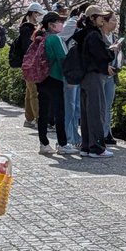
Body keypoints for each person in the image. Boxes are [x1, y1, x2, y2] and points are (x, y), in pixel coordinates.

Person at [70, 5, 116, 158]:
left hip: (85, 77)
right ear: (92, 18)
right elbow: (103, 56)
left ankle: (86, 146)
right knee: (97, 112)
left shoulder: (83, 34)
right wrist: (112, 50)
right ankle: (97, 147)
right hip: (94, 76)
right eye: (100, 16)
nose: (103, 19)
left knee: (86, 112)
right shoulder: (94, 35)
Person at [36, 11, 74, 155]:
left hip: (42, 78)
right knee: (59, 112)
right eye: (59, 22)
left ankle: (43, 143)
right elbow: (63, 59)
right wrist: (69, 78)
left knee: (43, 111)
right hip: (55, 77)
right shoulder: (56, 39)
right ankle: (63, 144)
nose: (62, 24)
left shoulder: (41, 38)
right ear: (52, 25)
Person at [10, 3, 43, 128]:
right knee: (34, 91)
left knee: (30, 91)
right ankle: (39, 118)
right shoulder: (27, 29)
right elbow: (27, 47)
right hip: (30, 64)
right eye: (38, 14)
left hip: (28, 63)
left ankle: (29, 118)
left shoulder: (29, 27)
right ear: (33, 13)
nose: (39, 16)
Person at [61, 3, 87, 148]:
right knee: (70, 105)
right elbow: (61, 38)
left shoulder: (80, 26)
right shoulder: (72, 24)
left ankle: (74, 136)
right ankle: (67, 137)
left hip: (78, 71)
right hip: (71, 70)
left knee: (76, 106)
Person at [99, 12, 123, 145]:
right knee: (99, 105)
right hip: (101, 74)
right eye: (113, 20)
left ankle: (107, 132)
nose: (115, 23)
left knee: (108, 105)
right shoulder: (98, 36)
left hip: (112, 75)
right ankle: (99, 133)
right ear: (105, 22)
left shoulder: (114, 37)